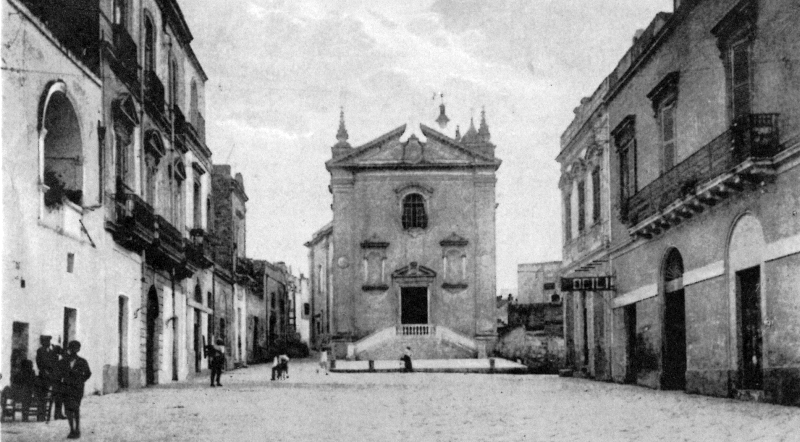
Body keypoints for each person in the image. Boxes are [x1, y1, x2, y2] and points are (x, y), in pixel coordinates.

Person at [58, 341, 91, 439]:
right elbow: (58, 374)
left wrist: (81, 381)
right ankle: (71, 429)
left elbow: (88, 373)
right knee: (68, 410)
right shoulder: (63, 361)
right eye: (72, 348)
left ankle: (77, 429)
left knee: (76, 408)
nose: (73, 350)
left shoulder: (82, 361)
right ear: (69, 349)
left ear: (78, 350)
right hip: (66, 388)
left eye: (76, 348)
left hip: (77, 389)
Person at [35, 335, 59, 420]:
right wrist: (45, 372)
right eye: (44, 342)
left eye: (47, 342)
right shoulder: (40, 351)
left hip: (54, 376)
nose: (45, 343)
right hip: (44, 376)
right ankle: (41, 415)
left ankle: (57, 414)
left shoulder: (55, 349)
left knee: (57, 394)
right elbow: (39, 363)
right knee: (43, 395)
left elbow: (60, 360)